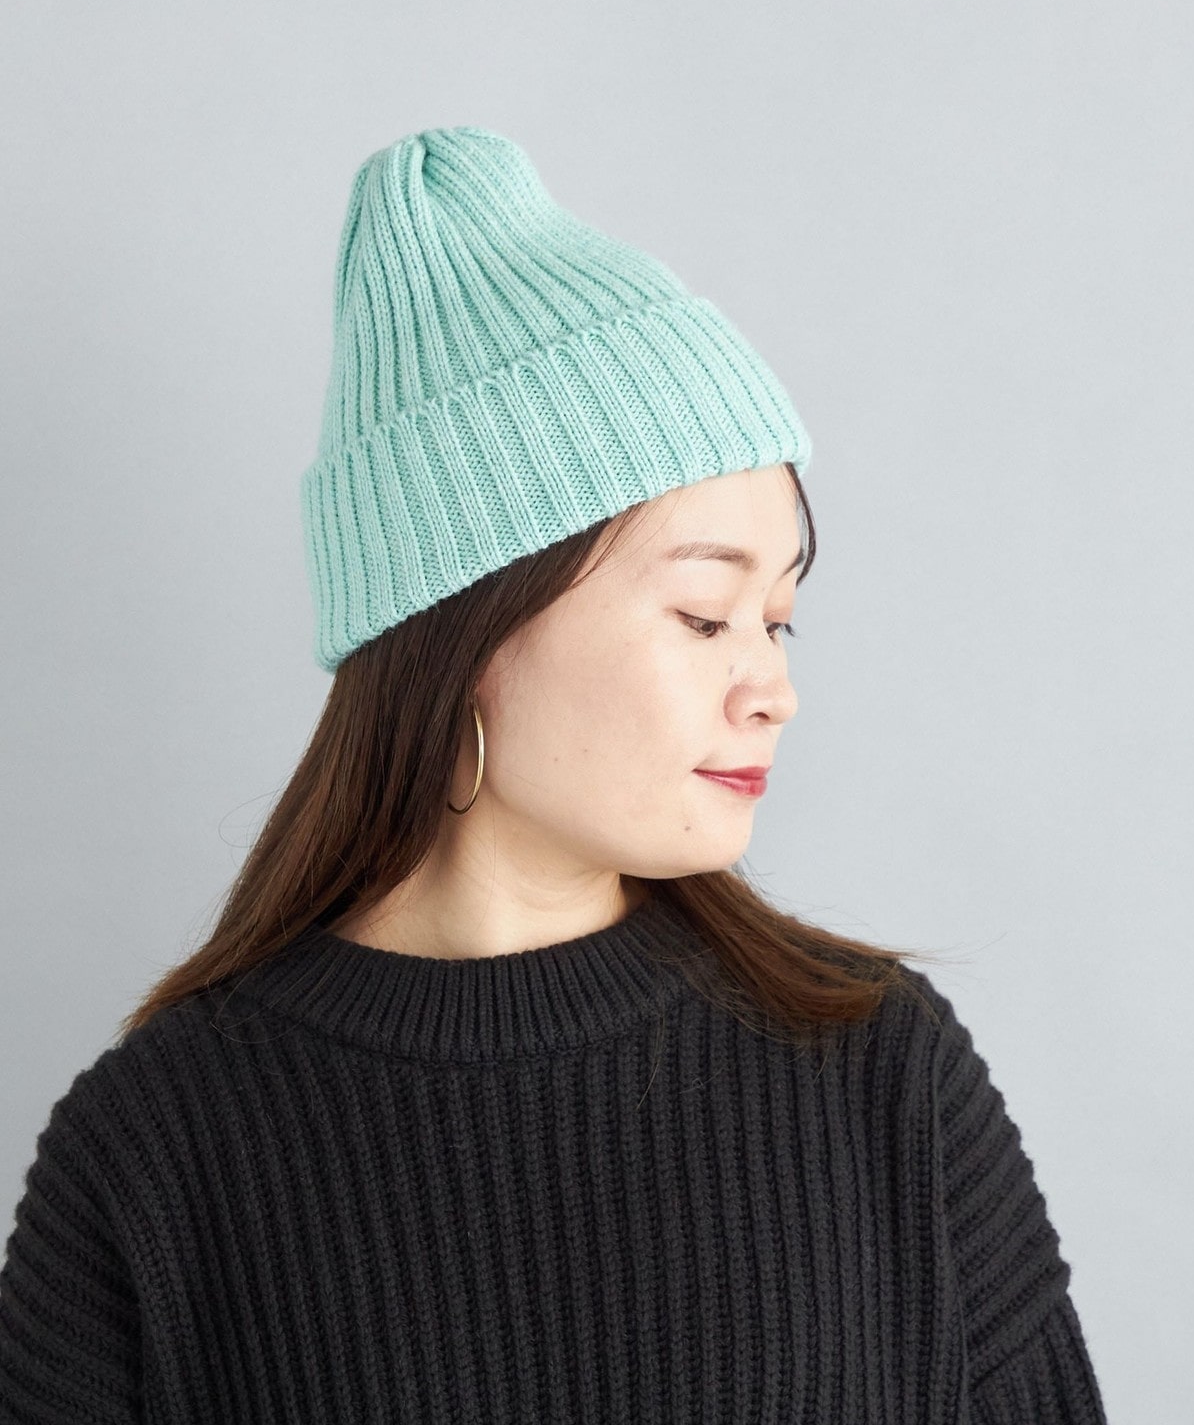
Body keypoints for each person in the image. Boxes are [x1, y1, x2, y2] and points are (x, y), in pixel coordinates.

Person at [0, 126, 1108, 1422]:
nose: (772, 687)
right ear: (469, 628)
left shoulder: (879, 1073)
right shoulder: (155, 1150)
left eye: (779, 621)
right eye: (704, 616)